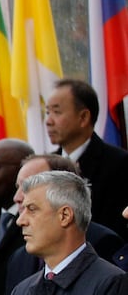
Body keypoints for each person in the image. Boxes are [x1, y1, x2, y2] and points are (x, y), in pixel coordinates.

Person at [44, 79, 128, 243]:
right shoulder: (45, 165)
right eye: (47, 112)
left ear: (83, 117)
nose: (48, 121)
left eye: (57, 112)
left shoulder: (118, 164)